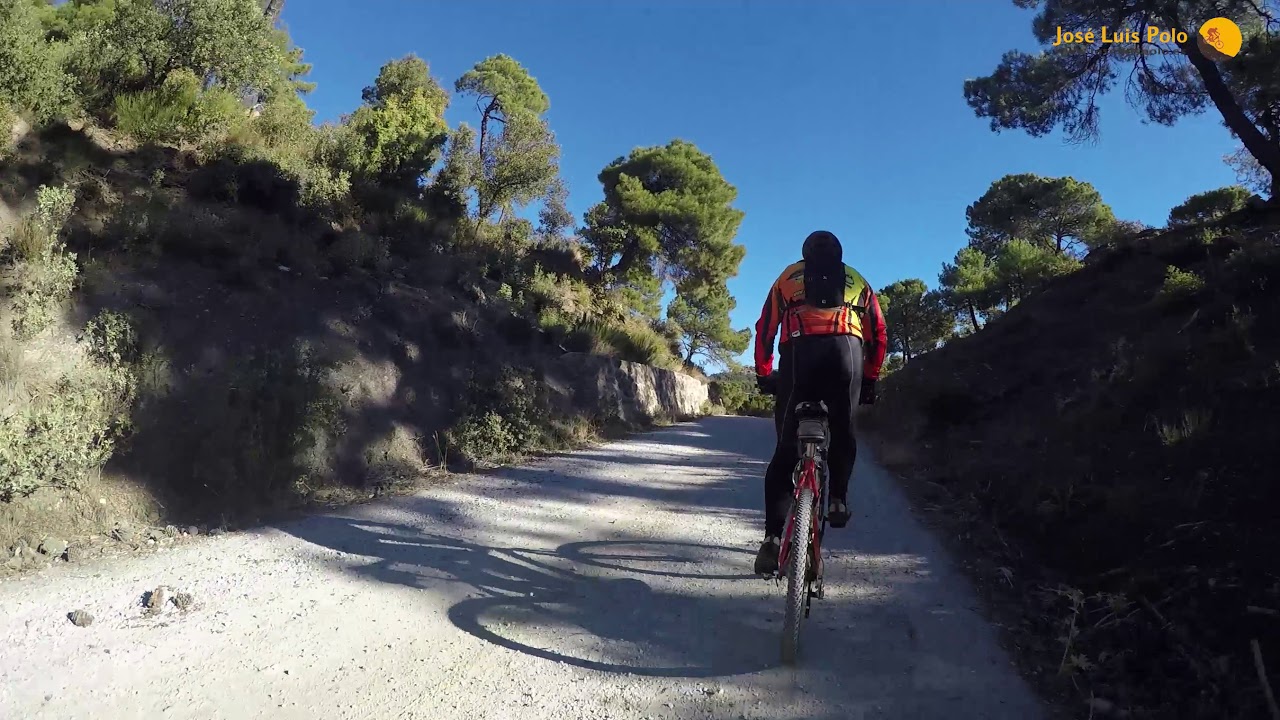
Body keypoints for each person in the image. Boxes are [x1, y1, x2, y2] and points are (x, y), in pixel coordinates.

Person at [751, 230, 888, 575]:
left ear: (804, 254)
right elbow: (879, 335)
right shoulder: (858, 280)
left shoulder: (788, 277)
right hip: (847, 356)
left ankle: (770, 540)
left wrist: (764, 372)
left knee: (785, 451)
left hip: (799, 357)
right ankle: (838, 499)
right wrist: (869, 378)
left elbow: (765, 329)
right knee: (843, 429)